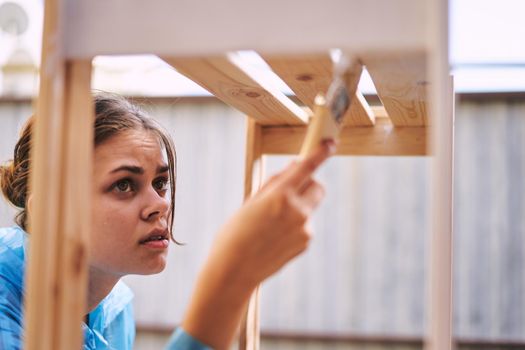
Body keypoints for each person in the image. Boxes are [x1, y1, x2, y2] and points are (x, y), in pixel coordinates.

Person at [0, 93, 335, 349]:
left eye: (160, 183)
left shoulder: (114, 307)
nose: (159, 205)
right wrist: (232, 278)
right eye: (124, 185)